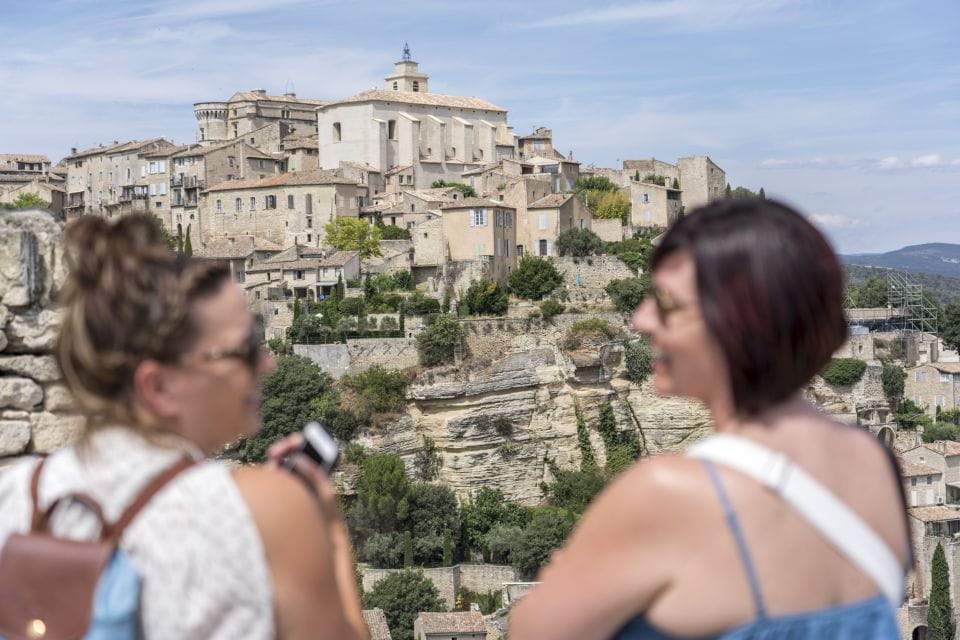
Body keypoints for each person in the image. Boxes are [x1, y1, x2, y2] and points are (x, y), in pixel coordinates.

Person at [509, 199, 909, 639]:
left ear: (738, 323)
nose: (641, 319)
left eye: (666, 303)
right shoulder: (876, 463)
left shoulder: (669, 491)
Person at [0, 215, 365, 639]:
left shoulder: (15, 494)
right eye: (244, 349)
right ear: (158, 386)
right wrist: (330, 531)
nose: (268, 363)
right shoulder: (268, 509)